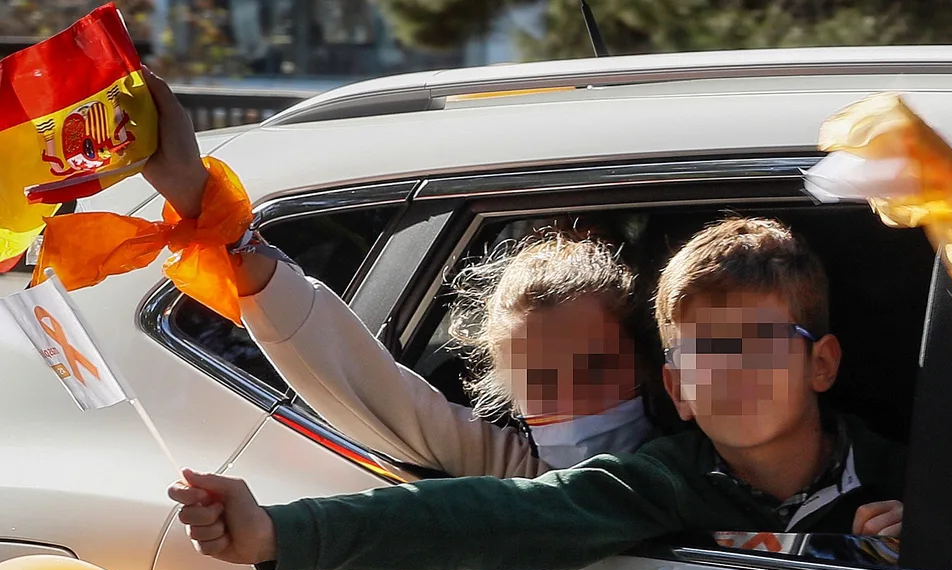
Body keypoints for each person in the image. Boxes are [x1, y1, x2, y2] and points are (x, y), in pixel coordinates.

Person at [169, 217, 907, 570]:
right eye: (704, 353)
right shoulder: (655, 484)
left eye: (758, 343)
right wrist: (280, 532)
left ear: (821, 363)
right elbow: (479, 514)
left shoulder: (921, 477)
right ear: (677, 386)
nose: (731, 371)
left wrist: (933, 538)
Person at [138, 71, 657, 478]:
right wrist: (200, 200)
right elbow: (354, 373)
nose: (577, 403)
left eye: (596, 366)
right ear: (511, 401)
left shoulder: (714, 456)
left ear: (650, 359)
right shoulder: (517, 473)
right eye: (542, 384)